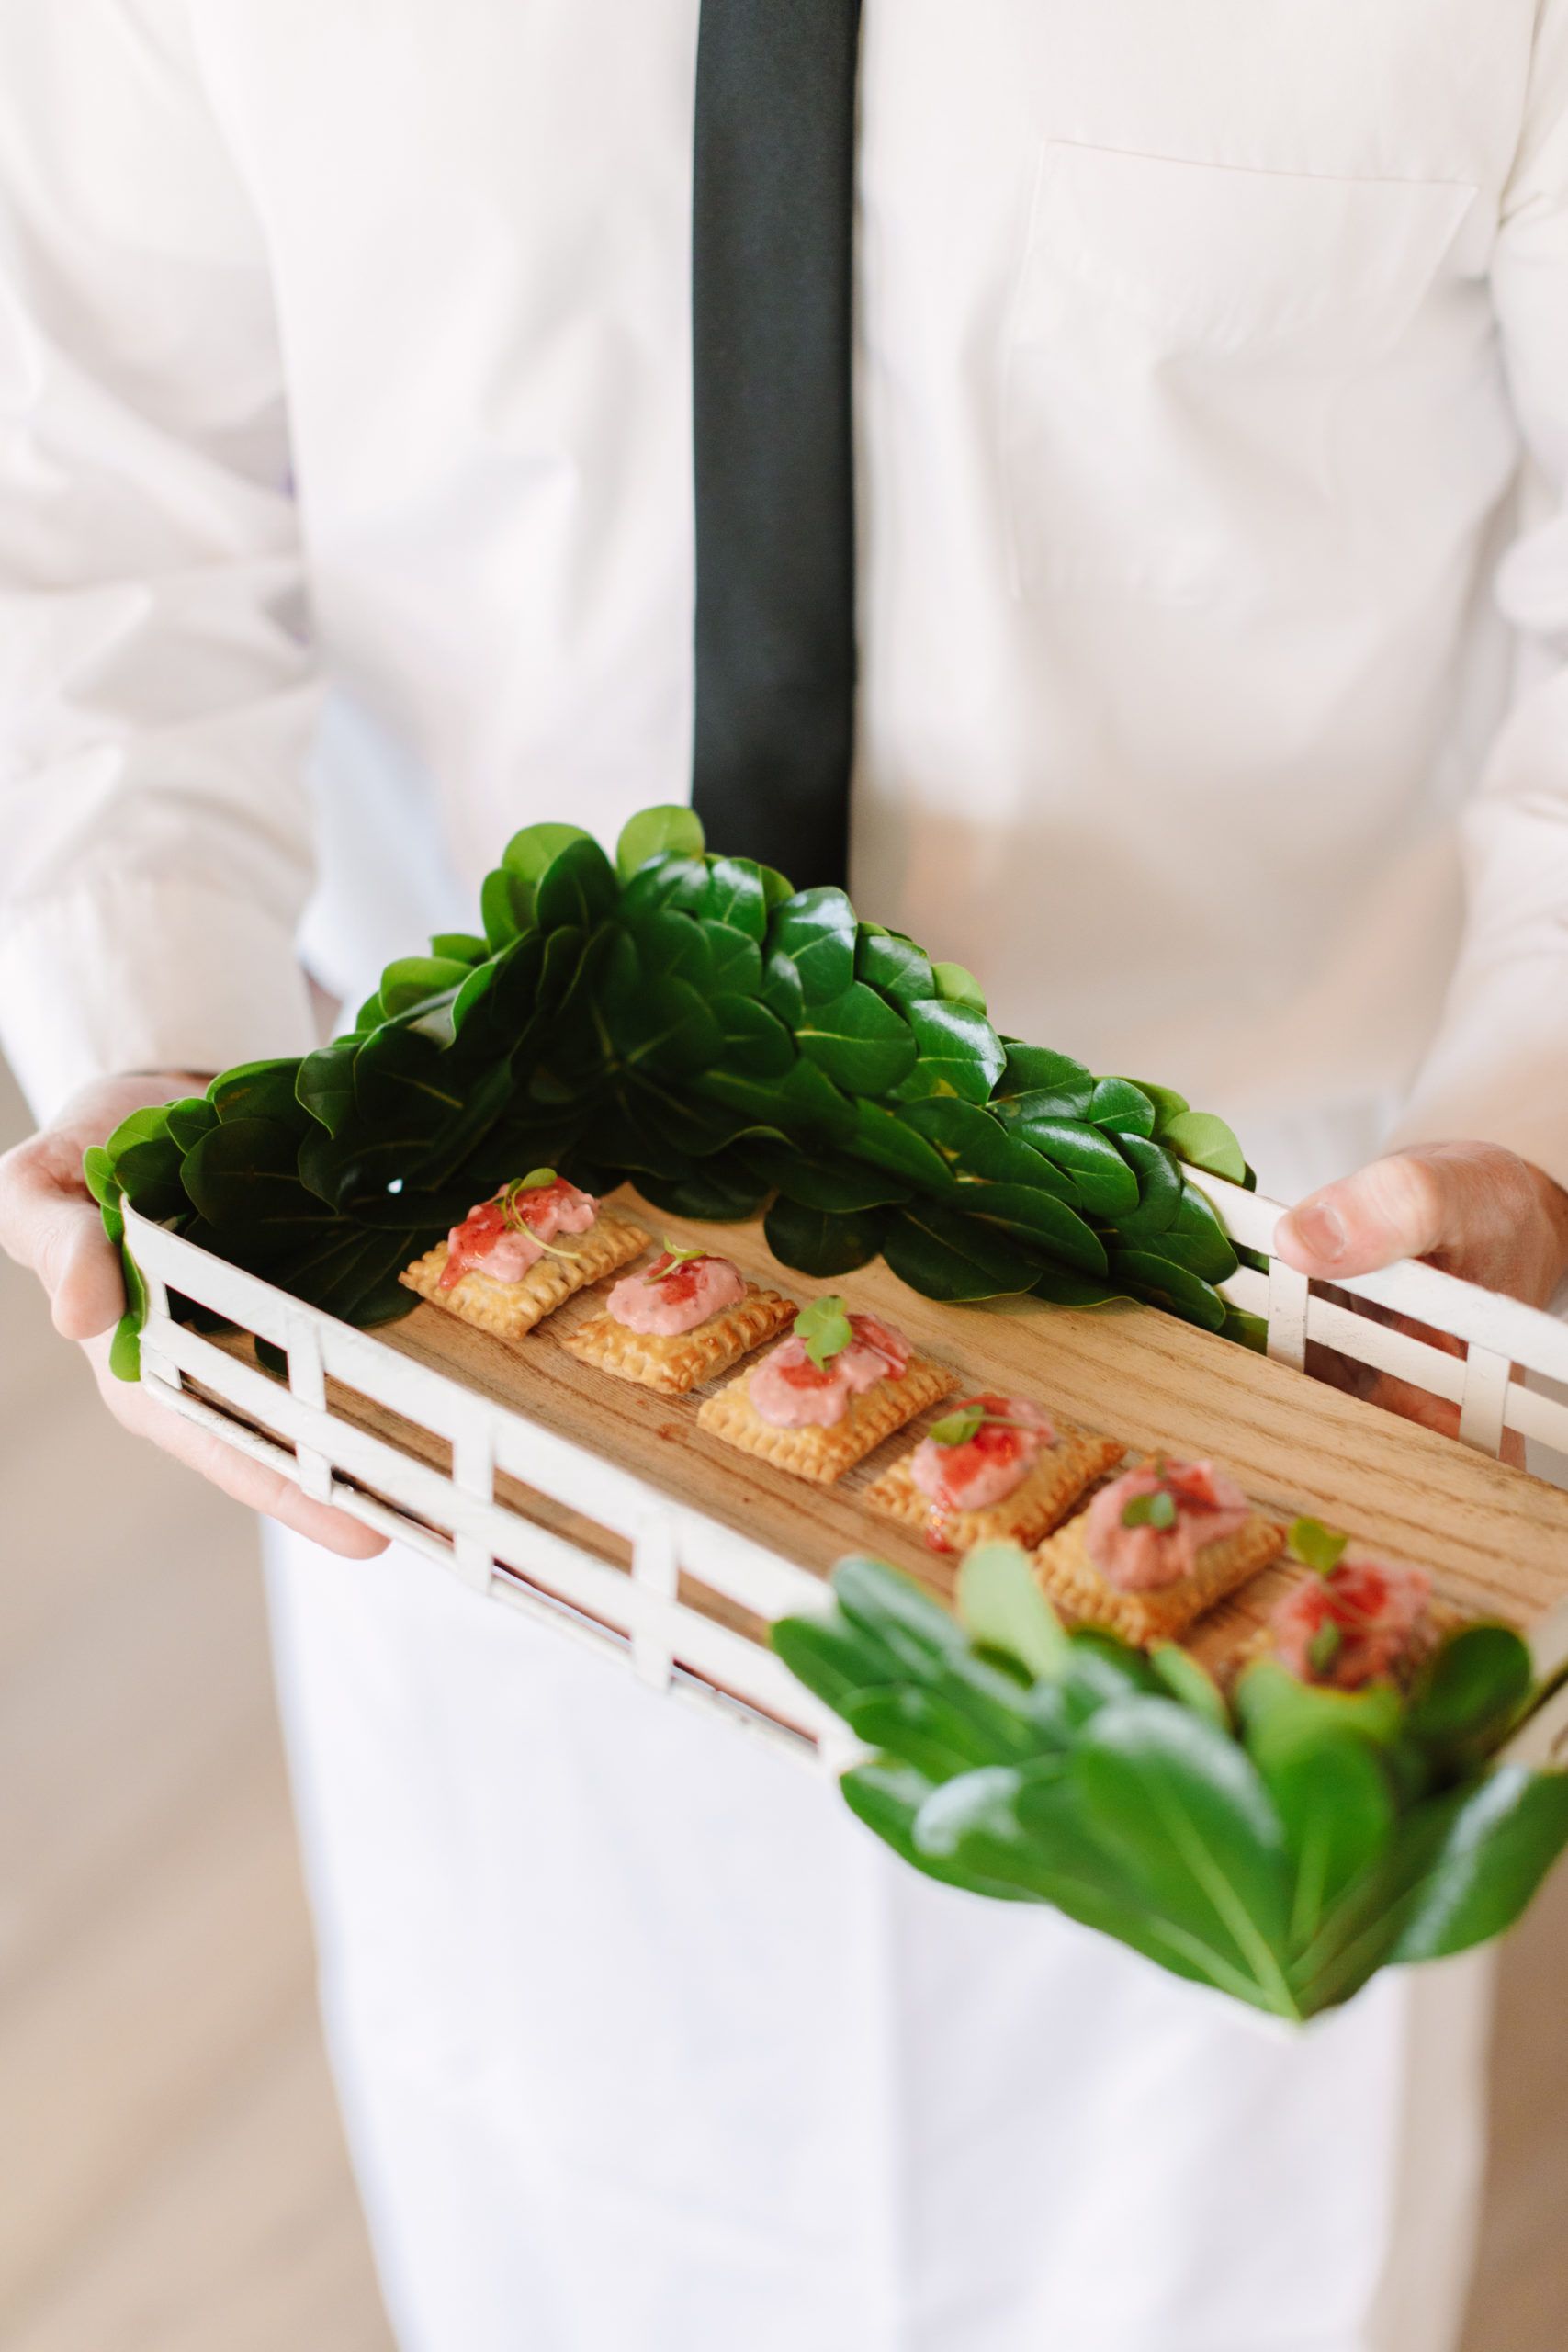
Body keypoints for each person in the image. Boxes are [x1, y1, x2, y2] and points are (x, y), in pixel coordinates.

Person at [3, 6, 1568, 2349]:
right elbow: (98, 518)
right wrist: (154, 1086)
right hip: (472, 1373)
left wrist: (1537, 1116)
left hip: (1300, 1339)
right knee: (560, 2213)